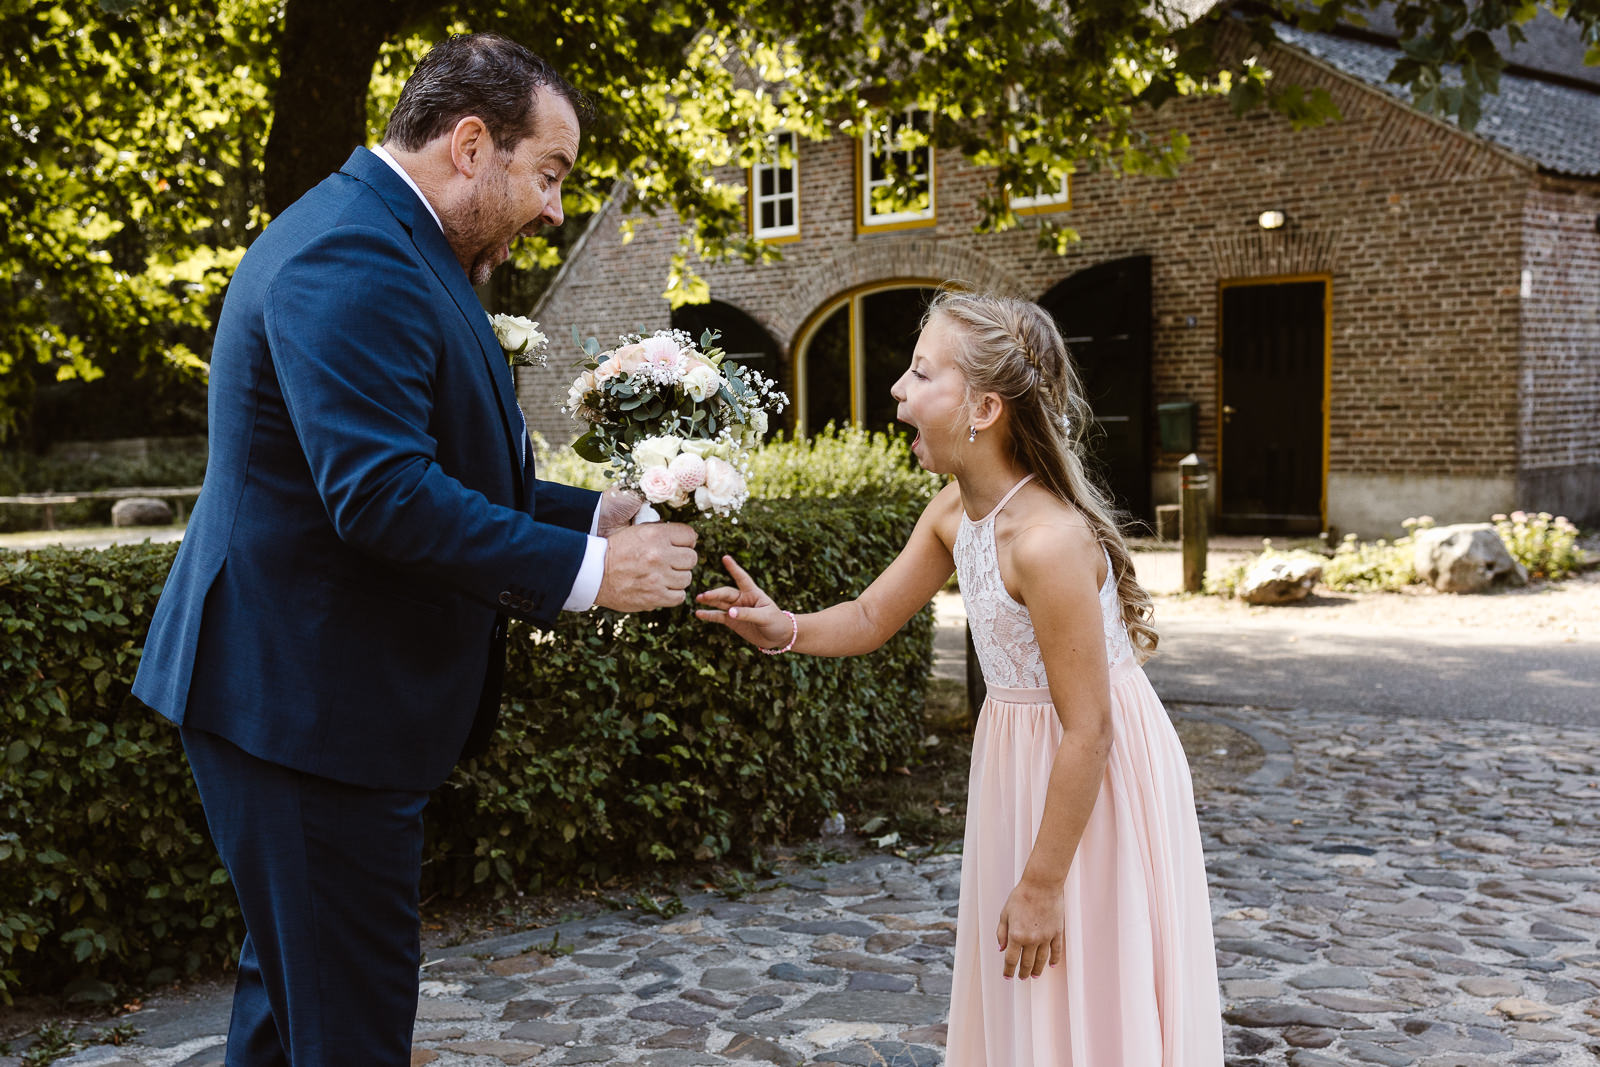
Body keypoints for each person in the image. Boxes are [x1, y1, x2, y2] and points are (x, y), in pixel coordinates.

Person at [132, 34, 698, 1067]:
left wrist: (591, 515)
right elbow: (380, 495)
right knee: (347, 1030)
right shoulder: (351, 251)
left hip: (309, 705)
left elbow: (435, 464)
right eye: (550, 174)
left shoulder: (395, 240)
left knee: (290, 1008)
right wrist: (590, 575)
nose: (556, 207)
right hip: (302, 712)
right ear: (472, 143)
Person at [696, 291, 1223, 1064]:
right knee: (1026, 987)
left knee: (1080, 964)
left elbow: (1090, 728)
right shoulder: (955, 511)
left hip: (1091, 781)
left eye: (919, 374)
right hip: (1018, 766)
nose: (897, 392)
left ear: (982, 407)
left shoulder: (1045, 542)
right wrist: (787, 628)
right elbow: (874, 615)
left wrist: (1043, 881)